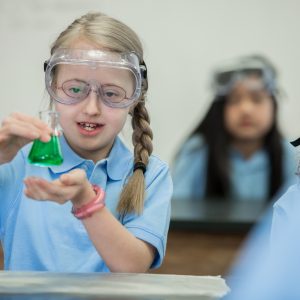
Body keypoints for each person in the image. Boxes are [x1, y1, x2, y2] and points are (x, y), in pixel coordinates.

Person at [0, 11, 172, 272]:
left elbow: (133, 266)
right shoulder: (19, 161)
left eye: (112, 93)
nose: (91, 108)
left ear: (134, 98)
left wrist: (86, 202)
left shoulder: (150, 175)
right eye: (75, 89)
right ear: (53, 88)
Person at [172, 54, 296, 202]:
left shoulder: (291, 157)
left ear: (274, 106)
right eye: (234, 100)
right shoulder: (197, 152)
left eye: (257, 99)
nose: (246, 109)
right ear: (220, 109)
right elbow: (175, 214)